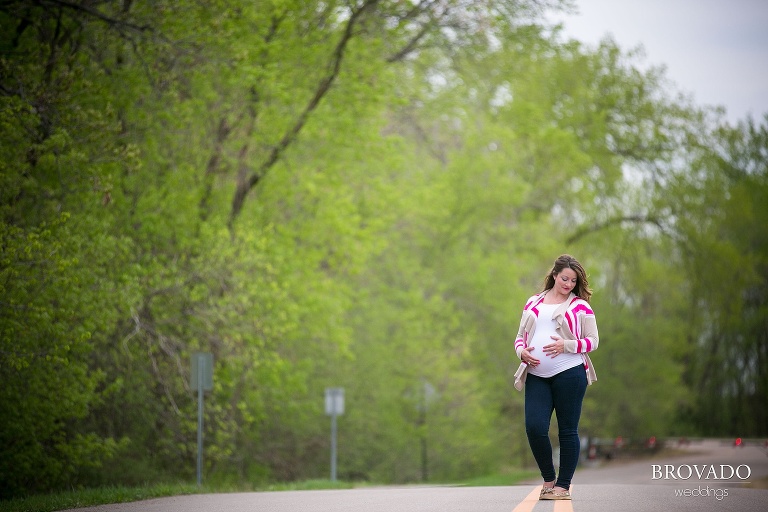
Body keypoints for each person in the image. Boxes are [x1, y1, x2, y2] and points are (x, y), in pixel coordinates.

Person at [513, 254, 599, 501]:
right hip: (537, 375)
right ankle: (548, 479)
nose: (568, 284)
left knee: (567, 431)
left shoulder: (580, 306)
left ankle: (562, 487)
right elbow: (520, 337)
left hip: (570, 373)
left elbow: (593, 341)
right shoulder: (533, 302)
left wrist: (566, 345)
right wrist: (522, 352)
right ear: (554, 275)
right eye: (565, 278)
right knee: (534, 427)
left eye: (573, 281)